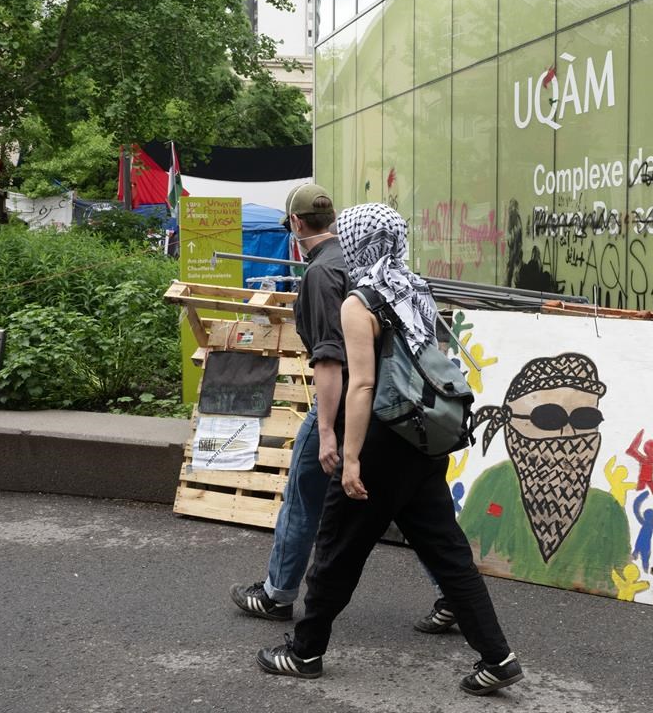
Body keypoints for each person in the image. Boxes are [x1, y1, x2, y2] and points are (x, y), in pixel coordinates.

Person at [255, 203, 524, 696]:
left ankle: (305, 652)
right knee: (449, 555)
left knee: (337, 550)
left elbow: (362, 387)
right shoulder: (415, 288)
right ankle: (498, 658)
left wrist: (350, 456)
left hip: (381, 440)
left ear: (356, 241)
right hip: (423, 438)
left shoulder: (360, 303)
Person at [228, 183, 348, 620]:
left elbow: (330, 358)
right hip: (378, 397)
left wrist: (327, 430)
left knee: (302, 496)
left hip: (340, 400)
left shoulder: (319, 274)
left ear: (296, 223)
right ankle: (449, 593)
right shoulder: (356, 259)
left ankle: (277, 594)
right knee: (411, 505)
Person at [459, 353, 631, 596]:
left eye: (586, 418)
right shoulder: (494, 483)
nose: (569, 434)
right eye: (548, 418)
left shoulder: (607, 510)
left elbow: (620, 580)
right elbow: (461, 556)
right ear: (511, 423)